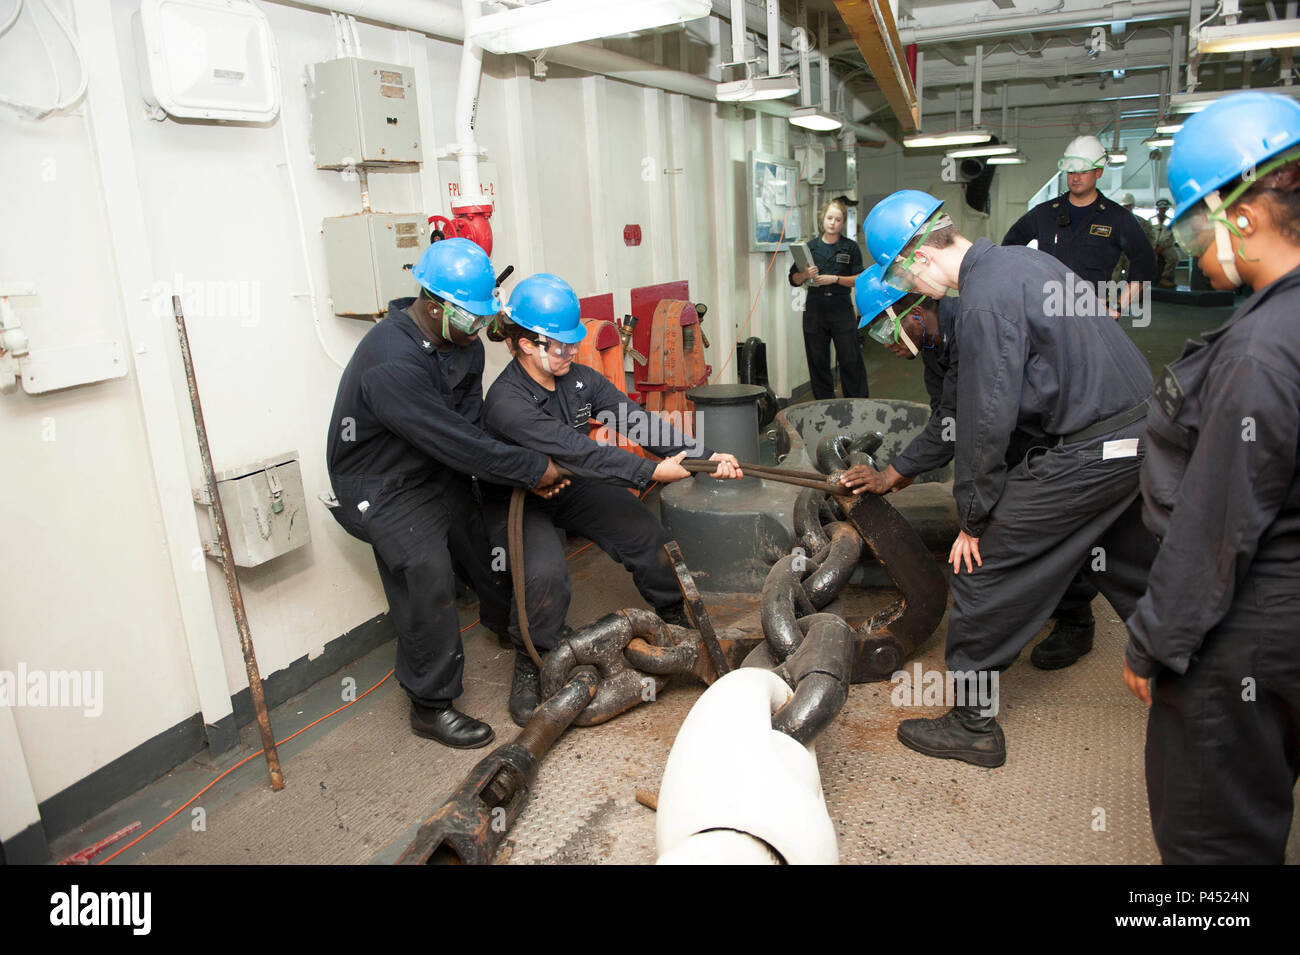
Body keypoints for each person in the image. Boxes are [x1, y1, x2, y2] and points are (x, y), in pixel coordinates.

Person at [862, 189, 1160, 767]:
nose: (909, 288)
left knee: (979, 570)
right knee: (1129, 559)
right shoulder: (1026, 260)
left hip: (1094, 444)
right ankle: (1199, 678)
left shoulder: (981, 300)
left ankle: (972, 725)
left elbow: (984, 420)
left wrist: (974, 519)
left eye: (901, 276)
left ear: (917, 259)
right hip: (1142, 433)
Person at [1121, 91, 1300, 863]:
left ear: (1247, 216)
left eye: (1196, 225)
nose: (1194, 250)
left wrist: (1153, 642)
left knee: (1213, 843)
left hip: (1250, 630)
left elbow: (1216, 522)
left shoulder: (1260, 353)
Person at [325, 238, 565, 750]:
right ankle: (431, 704)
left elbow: (470, 425)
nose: (480, 328)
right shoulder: (391, 360)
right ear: (433, 305)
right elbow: (455, 441)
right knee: (427, 573)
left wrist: (528, 451)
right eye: (471, 316)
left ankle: (507, 624)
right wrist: (529, 468)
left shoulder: (464, 343)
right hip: (380, 482)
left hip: (432, 462)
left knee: (480, 540)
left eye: (483, 317)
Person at [480, 274, 743, 725]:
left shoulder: (580, 381)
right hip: (520, 496)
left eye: (571, 344)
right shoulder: (506, 401)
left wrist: (704, 456)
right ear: (527, 344)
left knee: (646, 533)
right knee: (545, 574)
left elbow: (636, 422)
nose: (570, 353)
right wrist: (648, 471)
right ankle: (534, 652)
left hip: (574, 483)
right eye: (560, 346)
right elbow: (575, 448)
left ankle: (672, 612)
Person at [1003, 134, 1157, 301]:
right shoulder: (1044, 213)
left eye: (1083, 171)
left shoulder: (1117, 218)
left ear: (1098, 172)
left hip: (1093, 311)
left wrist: (1119, 305)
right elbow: (1009, 249)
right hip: (1047, 309)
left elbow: (1145, 263)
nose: (1075, 178)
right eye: (1071, 171)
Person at [789, 198, 868, 399]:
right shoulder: (810, 248)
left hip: (841, 308)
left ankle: (857, 403)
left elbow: (860, 279)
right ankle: (824, 406)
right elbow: (794, 279)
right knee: (818, 361)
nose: (833, 223)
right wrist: (806, 275)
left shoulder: (850, 248)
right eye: (830, 218)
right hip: (815, 309)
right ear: (822, 219)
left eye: (838, 219)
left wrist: (836, 278)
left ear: (843, 223)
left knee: (850, 359)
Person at [1148, 198, 1179, 288]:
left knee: (1174, 258)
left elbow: (1172, 236)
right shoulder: (1150, 220)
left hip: (1165, 246)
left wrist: (1162, 246)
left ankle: (1165, 277)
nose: (1162, 210)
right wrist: (1152, 246)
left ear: (1167, 209)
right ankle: (1146, 279)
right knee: (1147, 260)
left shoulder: (1171, 221)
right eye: (1160, 208)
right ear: (1157, 209)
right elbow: (1147, 233)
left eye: (1164, 208)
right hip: (1152, 245)